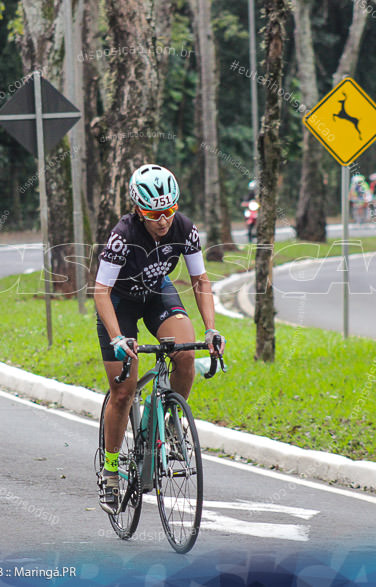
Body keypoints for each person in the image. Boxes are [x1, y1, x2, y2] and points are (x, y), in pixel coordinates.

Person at [93, 163, 226, 514]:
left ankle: (170, 421)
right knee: (123, 392)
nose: (163, 220)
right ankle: (109, 472)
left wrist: (211, 329)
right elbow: (101, 291)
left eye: (168, 211)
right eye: (154, 214)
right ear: (139, 209)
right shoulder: (123, 235)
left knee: (185, 353)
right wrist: (118, 337)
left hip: (156, 294)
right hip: (119, 303)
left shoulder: (184, 228)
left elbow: (200, 281)